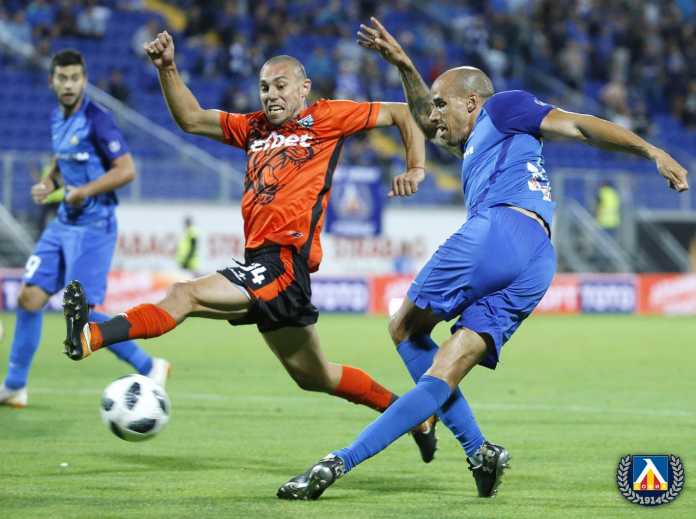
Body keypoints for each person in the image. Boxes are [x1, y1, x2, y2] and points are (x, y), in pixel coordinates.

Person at [277, 17, 690, 501]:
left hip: (498, 231)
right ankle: (479, 451)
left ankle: (336, 462)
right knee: (444, 371)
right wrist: (405, 65)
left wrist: (651, 150)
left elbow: (579, 124)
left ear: (471, 102)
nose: (433, 115)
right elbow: (424, 119)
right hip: (536, 261)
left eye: (442, 104)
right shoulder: (475, 143)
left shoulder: (505, 108)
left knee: (404, 329)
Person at [61, 31, 437, 460]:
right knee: (314, 376)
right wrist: (167, 67)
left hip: (283, 261)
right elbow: (191, 118)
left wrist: (417, 167)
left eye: (280, 86)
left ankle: (91, 336)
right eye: (264, 87)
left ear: (303, 88)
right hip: (264, 265)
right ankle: (413, 416)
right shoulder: (251, 128)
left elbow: (405, 112)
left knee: (185, 294)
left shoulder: (328, 118)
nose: (271, 95)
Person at [0, 50, 169, 408]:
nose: (68, 84)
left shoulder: (97, 118)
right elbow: (63, 159)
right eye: (62, 78)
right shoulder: (57, 117)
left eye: (75, 77)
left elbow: (126, 170)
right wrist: (50, 182)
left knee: (83, 314)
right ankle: (14, 386)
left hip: (95, 225)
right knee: (29, 297)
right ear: (52, 81)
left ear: (84, 79)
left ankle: (149, 365)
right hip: (63, 222)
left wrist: (84, 191)